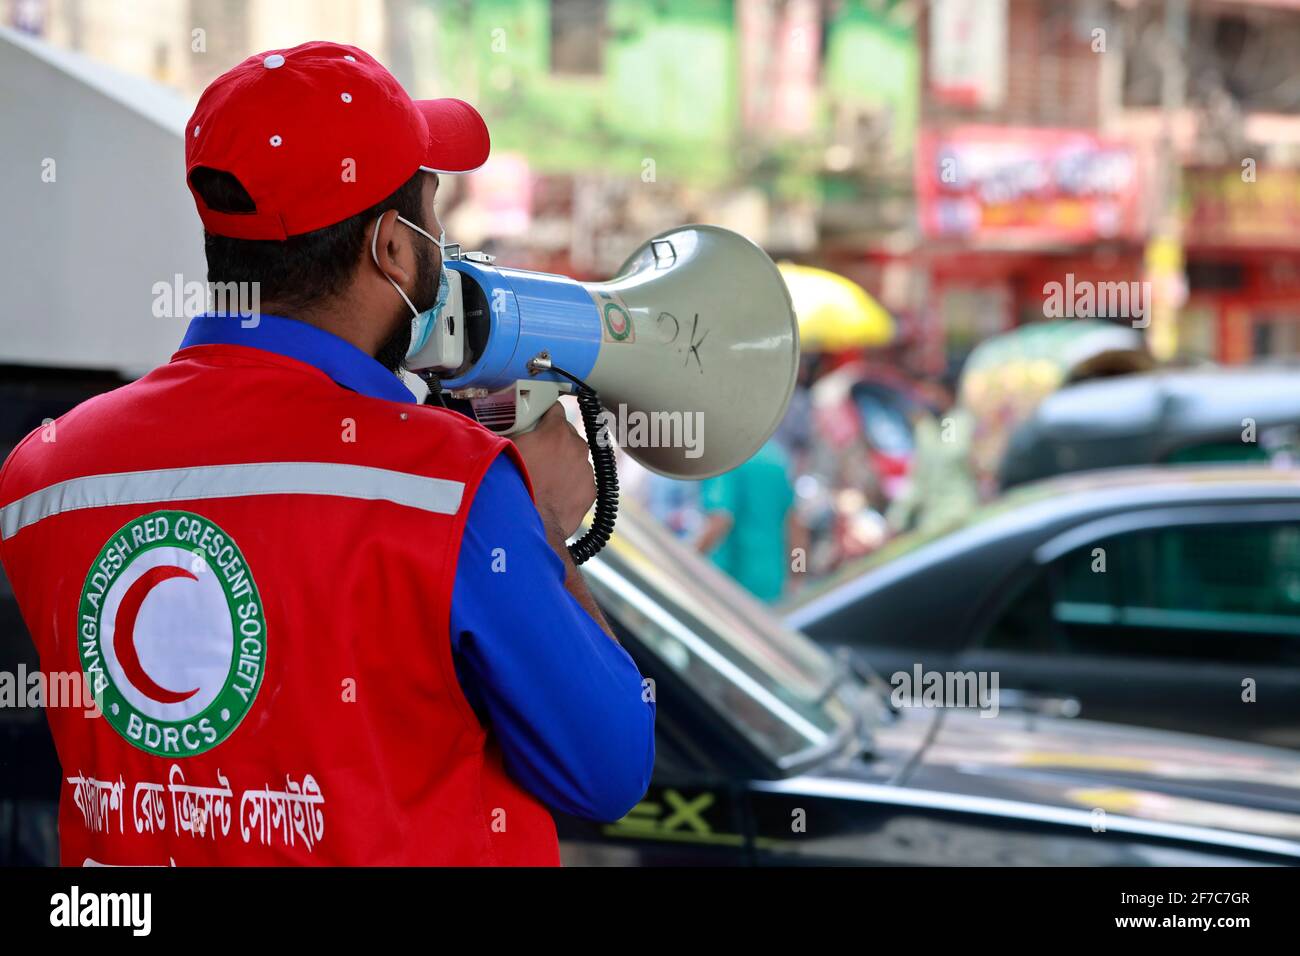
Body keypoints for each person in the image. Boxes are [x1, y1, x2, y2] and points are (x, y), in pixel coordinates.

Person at [0, 41, 653, 866]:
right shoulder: (451, 488)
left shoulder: (45, 472)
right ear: (391, 247)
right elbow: (609, 769)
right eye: (433, 224)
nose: (443, 253)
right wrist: (542, 529)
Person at [695, 440, 797, 603]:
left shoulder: (726, 458)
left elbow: (720, 519)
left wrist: (687, 558)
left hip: (731, 585)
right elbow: (796, 528)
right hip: (772, 585)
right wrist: (798, 572)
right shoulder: (779, 458)